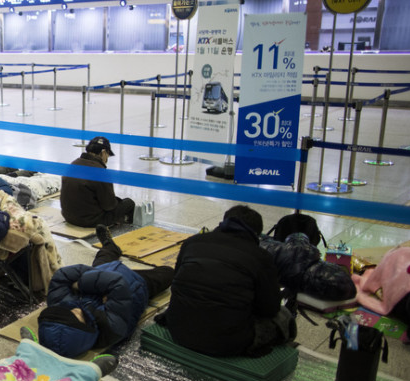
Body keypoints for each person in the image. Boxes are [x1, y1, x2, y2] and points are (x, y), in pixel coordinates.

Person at [160, 205, 293, 357]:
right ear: (256, 233)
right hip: (228, 344)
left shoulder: (192, 242)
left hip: (177, 329)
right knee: (284, 316)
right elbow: (269, 308)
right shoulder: (260, 257)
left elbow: (177, 282)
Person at [28, 225, 175, 358]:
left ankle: (109, 244)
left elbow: (61, 275)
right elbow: (118, 284)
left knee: (104, 256)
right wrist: (81, 283)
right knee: (168, 273)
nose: (74, 311)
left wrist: (87, 283)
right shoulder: (111, 329)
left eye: (67, 313)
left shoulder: (60, 306)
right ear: (84, 332)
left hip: (101, 273)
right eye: (76, 318)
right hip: (137, 284)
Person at [60, 135, 134, 228]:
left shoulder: (73, 164)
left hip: (68, 217)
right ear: (103, 152)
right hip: (90, 221)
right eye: (108, 155)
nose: (107, 159)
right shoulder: (100, 172)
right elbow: (109, 205)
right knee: (129, 203)